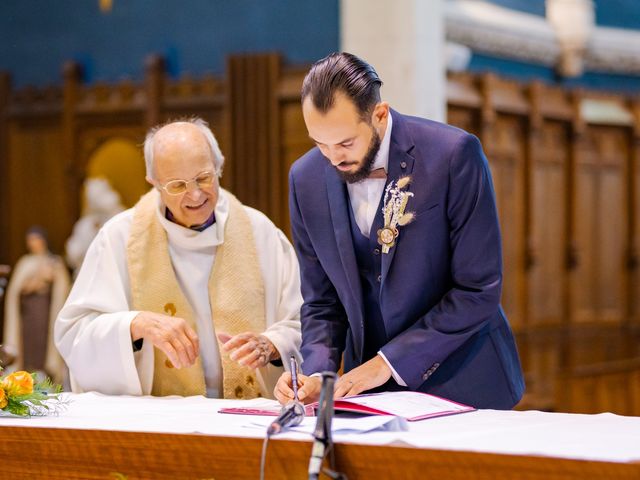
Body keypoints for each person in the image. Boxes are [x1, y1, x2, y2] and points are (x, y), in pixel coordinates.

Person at [274, 52, 525, 409]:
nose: (333, 159)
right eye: (319, 144)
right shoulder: (305, 178)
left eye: (345, 143)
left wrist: (388, 363)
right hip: (370, 397)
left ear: (379, 114)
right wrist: (317, 375)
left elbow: (477, 289)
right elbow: (321, 301)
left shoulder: (452, 155)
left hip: (465, 382)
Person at [55, 118, 302, 399]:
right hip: (162, 417)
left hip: (246, 417)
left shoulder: (261, 234)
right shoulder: (119, 238)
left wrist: (270, 344)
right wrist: (135, 324)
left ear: (219, 167)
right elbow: (75, 335)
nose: (195, 195)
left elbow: (302, 320)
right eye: (177, 185)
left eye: (204, 178)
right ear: (154, 183)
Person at [3, 227, 70, 383]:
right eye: (30, 240)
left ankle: (46, 374)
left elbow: (61, 287)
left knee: (43, 341)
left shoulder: (54, 261)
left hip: (46, 309)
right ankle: (26, 375)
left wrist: (50, 278)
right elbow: (17, 290)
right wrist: (35, 283)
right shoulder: (25, 262)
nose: (32, 243)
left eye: (35, 239)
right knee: (29, 343)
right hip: (29, 311)